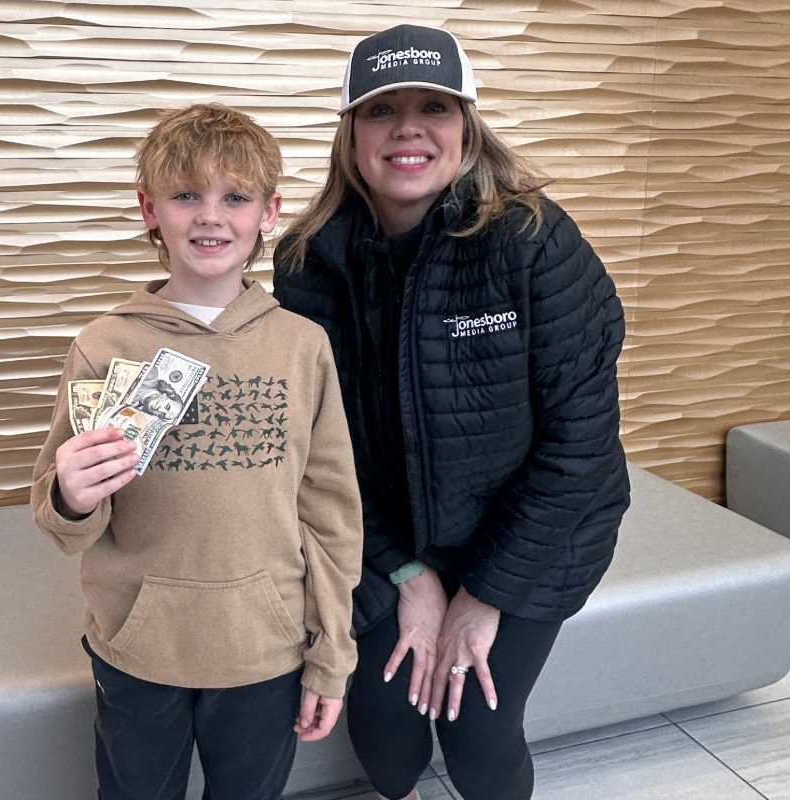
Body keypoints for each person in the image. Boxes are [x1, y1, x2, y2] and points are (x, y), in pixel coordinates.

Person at [273, 24, 631, 800]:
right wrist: (406, 573)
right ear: (351, 133)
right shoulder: (308, 261)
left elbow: (580, 450)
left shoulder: (534, 243)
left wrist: (482, 594)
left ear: (467, 127)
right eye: (381, 110)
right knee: (391, 747)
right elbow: (325, 447)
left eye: (434, 106)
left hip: (532, 538)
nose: (408, 127)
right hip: (382, 537)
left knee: (478, 735)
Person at [31, 103, 363, 800]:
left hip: (265, 650)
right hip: (136, 646)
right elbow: (64, 524)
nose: (211, 217)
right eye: (186, 196)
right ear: (150, 210)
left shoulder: (304, 347)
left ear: (269, 212)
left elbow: (331, 515)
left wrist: (332, 654)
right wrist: (70, 493)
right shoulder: (105, 344)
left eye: (235, 197)